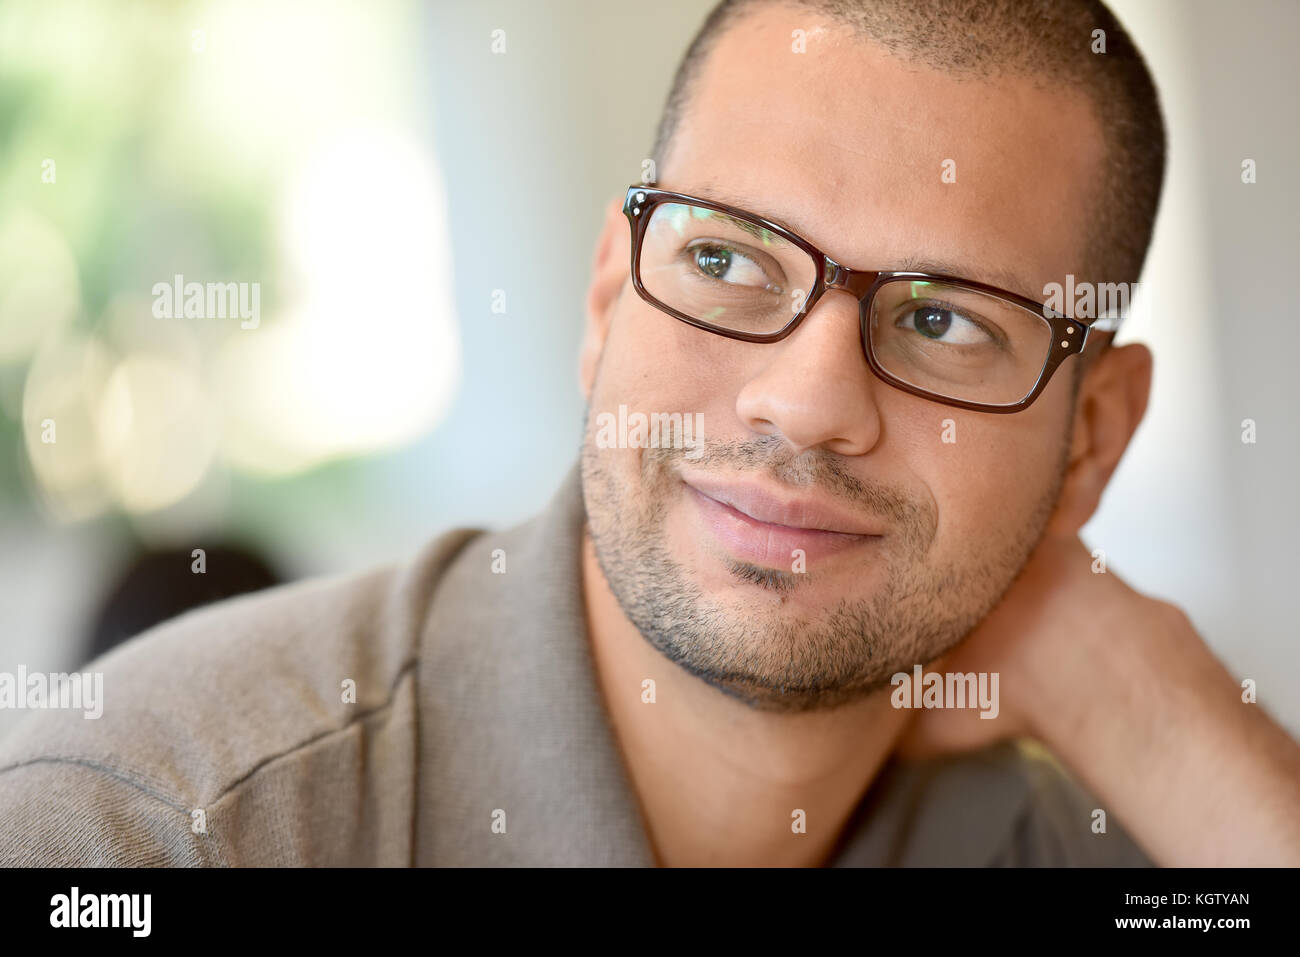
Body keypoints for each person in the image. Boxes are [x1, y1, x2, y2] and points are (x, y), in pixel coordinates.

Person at [2, 0, 1298, 867]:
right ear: (609, 295)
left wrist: (1159, 712)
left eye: (949, 322)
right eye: (727, 256)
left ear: (1088, 448)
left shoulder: (1102, 841)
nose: (805, 401)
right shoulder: (141, 831)